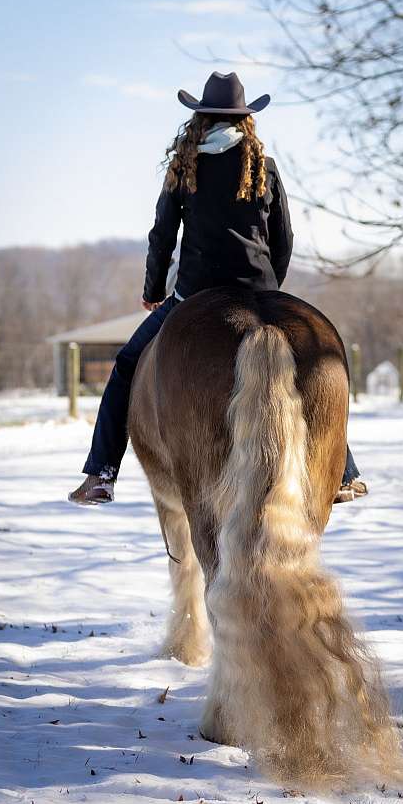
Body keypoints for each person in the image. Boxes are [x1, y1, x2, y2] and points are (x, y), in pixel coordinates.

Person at [69, 71, 367, 506]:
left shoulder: (184, 167)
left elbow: (162, 237)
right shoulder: (263, 166)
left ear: (201, 120)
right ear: (246, 120)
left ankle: (101, 473)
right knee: (313, 366)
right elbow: (284, 239)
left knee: (127, 366)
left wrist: (154, 290)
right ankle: (343, 471)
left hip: (195, 293)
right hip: (262, 290)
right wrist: (269, 293)